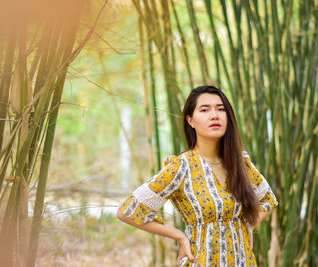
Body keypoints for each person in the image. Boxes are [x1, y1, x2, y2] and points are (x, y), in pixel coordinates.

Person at [117, 85, 278, 266]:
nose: (214, 115)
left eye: (220, 109)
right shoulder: (181, 167)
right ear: (190, 121)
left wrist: (248, 225)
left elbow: (268, 199)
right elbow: (127, 211)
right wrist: (179, 236)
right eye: (204, 110)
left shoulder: (239, 162)